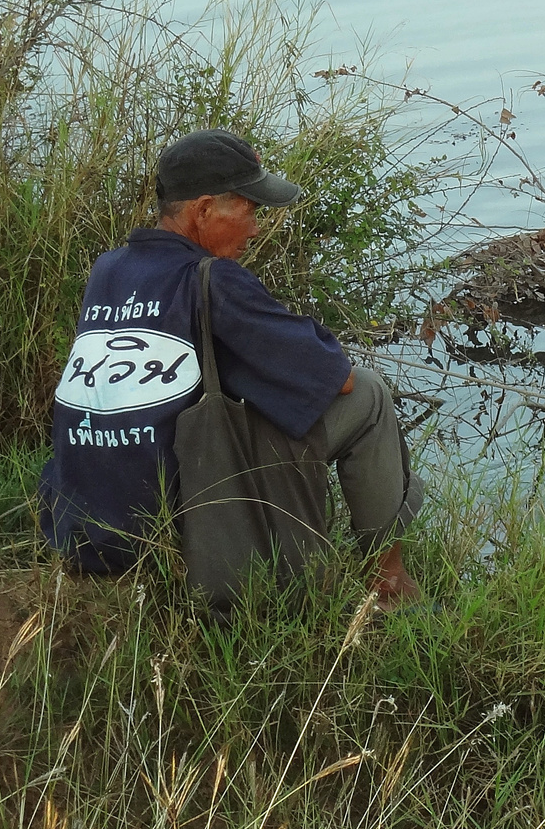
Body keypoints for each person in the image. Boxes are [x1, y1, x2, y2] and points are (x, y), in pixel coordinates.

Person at [38, 128, 423, 610]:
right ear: (203, 211)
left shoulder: (108, 270)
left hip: (82, 531)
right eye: (250, 209)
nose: (256, 228)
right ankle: (388, 583)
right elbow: (337, 378)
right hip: (176, 529)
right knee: (368, 395)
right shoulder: (212, 280)